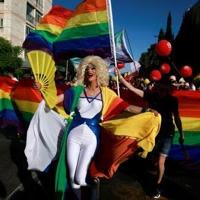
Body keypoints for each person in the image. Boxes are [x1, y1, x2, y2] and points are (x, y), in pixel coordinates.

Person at [25, 56, 161, 200]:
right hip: (73, 134)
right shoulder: (76, 90)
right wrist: (42, 90)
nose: (90, 70)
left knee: (86, 175)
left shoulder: (107, 93)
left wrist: (146, 110)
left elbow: (126, 107)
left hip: (93, 137)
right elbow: (52, 101)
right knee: (72, 175)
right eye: (87, 68)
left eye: (93, 68)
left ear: (99, 71)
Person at [116, 68, 184, 199]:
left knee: (160, 161)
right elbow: (133, 89)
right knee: (153, 158)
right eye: (160, 86)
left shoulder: (172, 100)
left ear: (168, 88)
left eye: (165, 87)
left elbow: (177, 117)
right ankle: (153, 172)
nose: (161, 89)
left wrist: (182, 134)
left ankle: (158, 186)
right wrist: (121, 78)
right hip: (153, 132)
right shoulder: (151, 95)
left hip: (167, 133)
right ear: (158, 86)